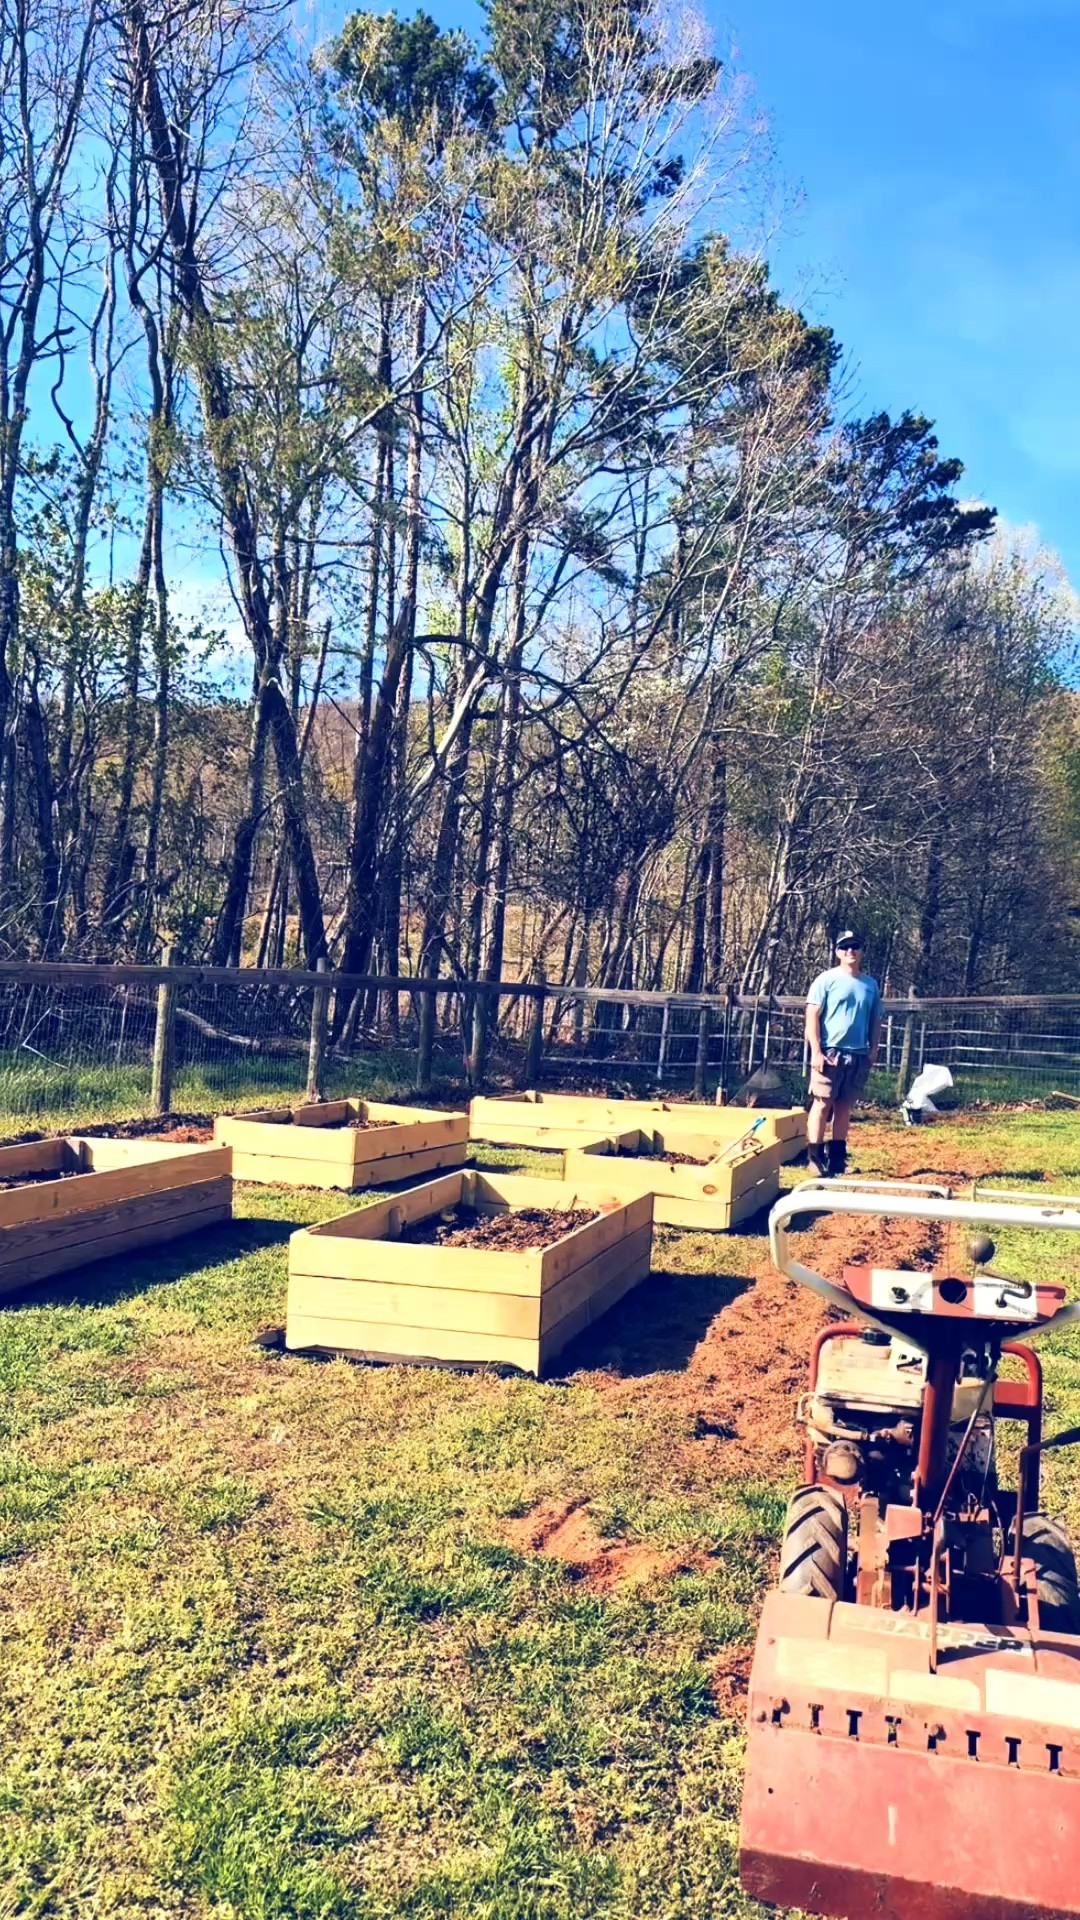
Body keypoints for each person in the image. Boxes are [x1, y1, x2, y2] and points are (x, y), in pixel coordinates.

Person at [805, 930, 882, 1178]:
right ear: (837, 952)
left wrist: (873, 1049)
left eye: (855, 946)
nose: (851, 951)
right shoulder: (826, 980)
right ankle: (814, 1158)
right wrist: (816, 1051)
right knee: (822, 1103)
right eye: (845, 947)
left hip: (857, 1054)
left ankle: (837, 1160)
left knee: (844, 1106)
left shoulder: (870, 985)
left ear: (861, 952)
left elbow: (875, 1020)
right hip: (830, 1052)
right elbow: (812, 1017)